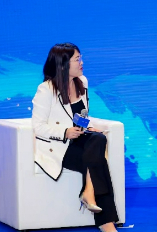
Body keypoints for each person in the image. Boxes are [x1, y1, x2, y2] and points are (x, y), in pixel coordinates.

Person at [32, 43, 119, 232]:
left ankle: (89, 192)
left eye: (81, 58)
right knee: (99, 161)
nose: (82, 62)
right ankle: (107, 224)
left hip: (80, 141)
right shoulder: (46, 90)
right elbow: (38, 127)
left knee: (98, 139)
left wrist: (88, 127)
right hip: (59, 148)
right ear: (63, 64)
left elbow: (80, 116)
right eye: (77, 59)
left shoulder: (82, 82)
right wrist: (65, 132)